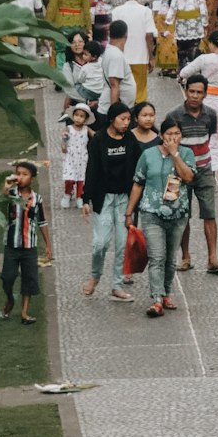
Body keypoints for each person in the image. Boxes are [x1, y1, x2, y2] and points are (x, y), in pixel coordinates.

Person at [125, 116, 196, 317]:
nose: (173, 138)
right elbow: (138, 183)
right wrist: (129, 211)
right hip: (151, 213)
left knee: (170, 258)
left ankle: (166, 293)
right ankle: (156, 299)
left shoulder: (187, 154)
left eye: (177, 134)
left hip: (178, 214)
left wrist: (175, 155)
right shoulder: (148, 155)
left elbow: (189, 177)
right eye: (169, 134)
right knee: (157, 256)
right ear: (161, 135)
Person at [166, 75, 218, 275]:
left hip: (204, 170)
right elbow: (170, 144)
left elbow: (208, 136)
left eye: (199, 92)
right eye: (191, 91)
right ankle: (185, 257)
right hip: (179, 172)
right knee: (181, 215)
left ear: (205, 94)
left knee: (209, 214)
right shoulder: (174, 115)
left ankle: (212, 258)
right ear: (185, 91)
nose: (195, 96)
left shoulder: (210, 114)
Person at [82, 100, 135, 301]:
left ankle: (117, 285)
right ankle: (95, 276)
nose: (126, 123)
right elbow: (92, 169)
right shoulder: (98, 140)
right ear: (112, 119)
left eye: (129, 119)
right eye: (123, 119)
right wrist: (86, 197)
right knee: (100, 242)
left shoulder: (130, 139)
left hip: (124, 198)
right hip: (103, 198)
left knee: (122, 244)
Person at [180, 32, 218, 190]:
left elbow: (184, 73)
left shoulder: (204, 59)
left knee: (202, 137)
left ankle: (202, 171)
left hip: (204, 102)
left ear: (211, 44)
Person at [1, 159, 52, 323]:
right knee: (7, 277)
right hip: (12, 245)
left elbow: (42, 222)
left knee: (29, 279)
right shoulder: (11, 194)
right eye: (18, 174)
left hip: (29, 246)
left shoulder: (37, 199)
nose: (20, 177)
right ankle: (10, 298)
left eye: (25, 174)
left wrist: (48, 245)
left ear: (33, 179)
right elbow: (1, 199)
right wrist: (7, 187)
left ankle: (24, 313)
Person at [114, 0, 157, 102]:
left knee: (122, 88)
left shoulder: (117, 11)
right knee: (140, 90)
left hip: (122, 57)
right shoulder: (145, 11)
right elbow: (149, 35)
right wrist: (151, 56)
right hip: (141, 56)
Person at [168, 0, 207, 72]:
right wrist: (205, 24)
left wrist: (168, 22)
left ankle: (181, 70)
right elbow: (203, 11)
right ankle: (193, 71)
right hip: (195, 26)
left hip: (181, 26)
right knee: (193, 50)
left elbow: (172, 9)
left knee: (181, 51)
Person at [97, 18, 136, 116]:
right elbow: (114, 85)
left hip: (121, 107)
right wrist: (115, 114)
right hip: (117, 109)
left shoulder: (111, 52)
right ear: (126, 35)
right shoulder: (116, 55)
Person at [60, 102, 92, 208]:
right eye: (76, 115)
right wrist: (64, 144)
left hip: (82, 157)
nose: (78, 118)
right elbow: (64, 142)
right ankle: (67, 194)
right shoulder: (69, 128)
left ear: (86, 119)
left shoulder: (86, 130)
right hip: (70, 156)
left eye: (81, 116)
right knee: (69, 178)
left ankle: (80, 196)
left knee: (81, 178)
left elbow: (96, 136)